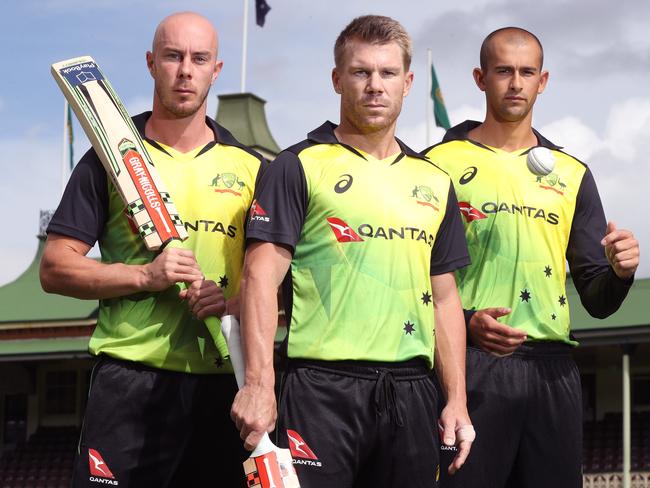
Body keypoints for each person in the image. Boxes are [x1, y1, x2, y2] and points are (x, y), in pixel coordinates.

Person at [231, 15, 474, 488]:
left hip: (411, 392)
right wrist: (259, 384)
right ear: (337, 79)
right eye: (361, 72)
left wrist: (457, 399)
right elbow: (259, 279)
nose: (374, 86)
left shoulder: (434, 181)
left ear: (407, 83)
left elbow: (444, 299)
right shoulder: (296, 165)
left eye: (387, 74)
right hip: (321, 390)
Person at [40, 12, 264, 487]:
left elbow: (279, 281)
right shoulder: (110, 160)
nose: (185, 70)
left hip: (222, 380)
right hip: (129, 381)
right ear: (150, 63)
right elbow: (56, 268)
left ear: (216, 70)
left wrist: (233, 301)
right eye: (172, 56)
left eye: (199, 59)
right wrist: (145, 276)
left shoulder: (250, 168)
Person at [423, 27, 640, 488]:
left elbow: (597, 298)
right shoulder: (435, 164)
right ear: (481, 78)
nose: (516, 83)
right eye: (504, 71)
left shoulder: (572, 173)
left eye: (527, 72)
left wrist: (621, 271)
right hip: (469, 366)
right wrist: (465, 321)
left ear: (543, 82)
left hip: (552, 373)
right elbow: (405, 275)